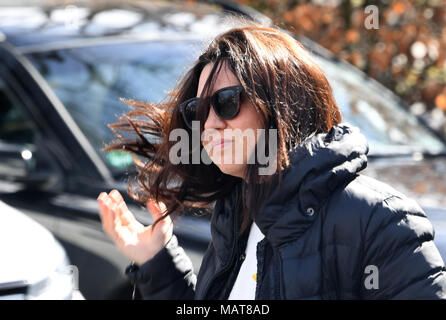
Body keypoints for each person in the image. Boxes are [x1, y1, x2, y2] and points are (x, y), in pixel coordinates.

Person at [96, 23, 446, 300]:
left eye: (227, 102)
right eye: (197, 112)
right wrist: (159, 263)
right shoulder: (235, 214)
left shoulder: (380, 220)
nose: (210, 123)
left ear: (282, 104)